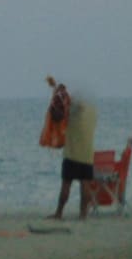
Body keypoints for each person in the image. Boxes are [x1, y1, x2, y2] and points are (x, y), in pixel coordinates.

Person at [42, 76, 98, 220]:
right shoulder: (93, 111)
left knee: (66, 183)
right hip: (87, 154)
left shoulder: (74, 108)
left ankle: (59, 213)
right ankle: (83, 215)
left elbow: (59, 110)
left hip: (72, 153)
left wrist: (54, 88)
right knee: (85, 184)